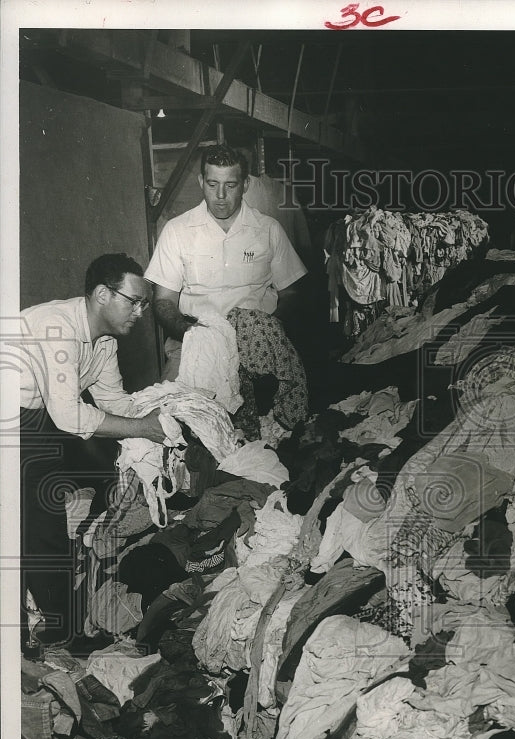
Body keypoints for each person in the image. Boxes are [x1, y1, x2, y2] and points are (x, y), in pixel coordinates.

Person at [17, 253, 167, 653]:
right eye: (132, 300)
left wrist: (168, 411)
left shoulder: (103, 342)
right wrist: (142, 428)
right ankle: (54, 633)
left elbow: (112, 400)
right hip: (14, 416)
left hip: (32, 416)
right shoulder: (58, 326)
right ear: (102, 294)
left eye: (144, 303)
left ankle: (60, 619)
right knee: (37, 523)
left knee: (62, 507)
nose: (139, 311)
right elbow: (69, 414)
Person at [145, 143, 309, 438]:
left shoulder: (268, 230)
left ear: (245, 185)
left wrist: (266, 329)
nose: (220, 196)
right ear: (200, 182)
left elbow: (293, 294)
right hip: (195, 342)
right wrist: (196, 335)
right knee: (167, 427)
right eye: (212, 184)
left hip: (259, 345)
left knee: (271, 435)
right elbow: (164, 302)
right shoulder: (177, 231)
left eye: (230, 185)